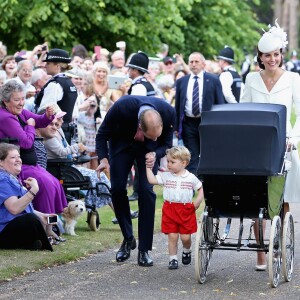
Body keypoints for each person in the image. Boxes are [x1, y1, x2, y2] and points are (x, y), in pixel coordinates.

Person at [240, 20, 300, 270]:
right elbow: (243, 111)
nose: (272, 59)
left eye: (276, 54)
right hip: (257, 144)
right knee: (257, 200)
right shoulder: (252, 79)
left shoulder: (294, 78)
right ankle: (260, 251)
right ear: (261, 57)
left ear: (281, 55)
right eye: (267, 55)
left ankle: (279, 245)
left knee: (282, 200)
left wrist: (294, 138)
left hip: (285, 144)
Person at [96, 95, 176, 266]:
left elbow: (167, 143)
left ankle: (144, 249)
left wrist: (156, 152)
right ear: (140, 126)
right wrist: (103, 158)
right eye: (151, 135)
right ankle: (128, 238)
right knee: (117, 189)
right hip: (121, 146)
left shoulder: (168, 112)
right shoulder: (121, 107)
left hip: (148, 153)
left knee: (146, 191)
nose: (156, 138)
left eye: (157, 135)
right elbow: (102, 134)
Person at [0, 80, 68, 215]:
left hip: (30, 164)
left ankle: (52, 224)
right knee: (45, 185)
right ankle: (44, 226)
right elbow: (26, 143)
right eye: (17, 100)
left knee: (54, 182)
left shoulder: (19, 112)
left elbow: (39, 120)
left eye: (23, 99)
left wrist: (48, 115)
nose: (21, 103)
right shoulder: (5, 117)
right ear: (6, 101)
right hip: (18, 166)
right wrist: (30, 126)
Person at [146, 146, 203, 270]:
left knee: (185, 237)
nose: (169, 164)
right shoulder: (166, 176)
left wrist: (197, 202)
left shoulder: (190, 177)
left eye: (172, 162)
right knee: (172, 236)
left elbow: (201, 188)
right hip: (170, 209)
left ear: (183, 163)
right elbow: (151, 180)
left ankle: (187, 249)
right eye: (168, 161)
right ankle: (173, 259)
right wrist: (148, 168)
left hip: (185, 210)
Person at [175, 52, 225, 175]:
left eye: (196, 61)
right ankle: (193, 181)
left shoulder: (213, 80)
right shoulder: (182, 81)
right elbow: (178, 106)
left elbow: (220, 103)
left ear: (203, 64)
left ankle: (207, 178)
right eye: (191, 62)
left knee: (208, 152)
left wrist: (220, 123)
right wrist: (176, 126)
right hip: (189, 123)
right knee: (191, 154)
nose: (193, 64)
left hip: (207, 123)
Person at [0, 143, 53, 251]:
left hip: (11, 226)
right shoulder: (3, 179)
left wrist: (41, 215)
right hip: (3, 230)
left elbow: (22, 208)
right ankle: (37, 242)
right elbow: (14, 209)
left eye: (18, 156)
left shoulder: (12, 177)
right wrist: (33, 191)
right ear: (1, 162)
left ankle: (33, 243)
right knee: (31, 220)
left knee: (49, 221)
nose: (18, 160)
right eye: (13, 157)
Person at [125, 52, 156, 201]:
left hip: (142, 130)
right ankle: (141, 189)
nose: (128, 71)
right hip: (149, 128)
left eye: (130, 68)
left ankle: (139, 190)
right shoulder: (147, 83)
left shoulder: (138, 86)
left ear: (135, 70)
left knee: (140, 161)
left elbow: (137, 108)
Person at [34, 48, 78, 124]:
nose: (45, 66)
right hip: (66, 129)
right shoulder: (70, 83)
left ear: (57, 66)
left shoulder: (54, 84)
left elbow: (44, 110)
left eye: (48, 63)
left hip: (53, 129)